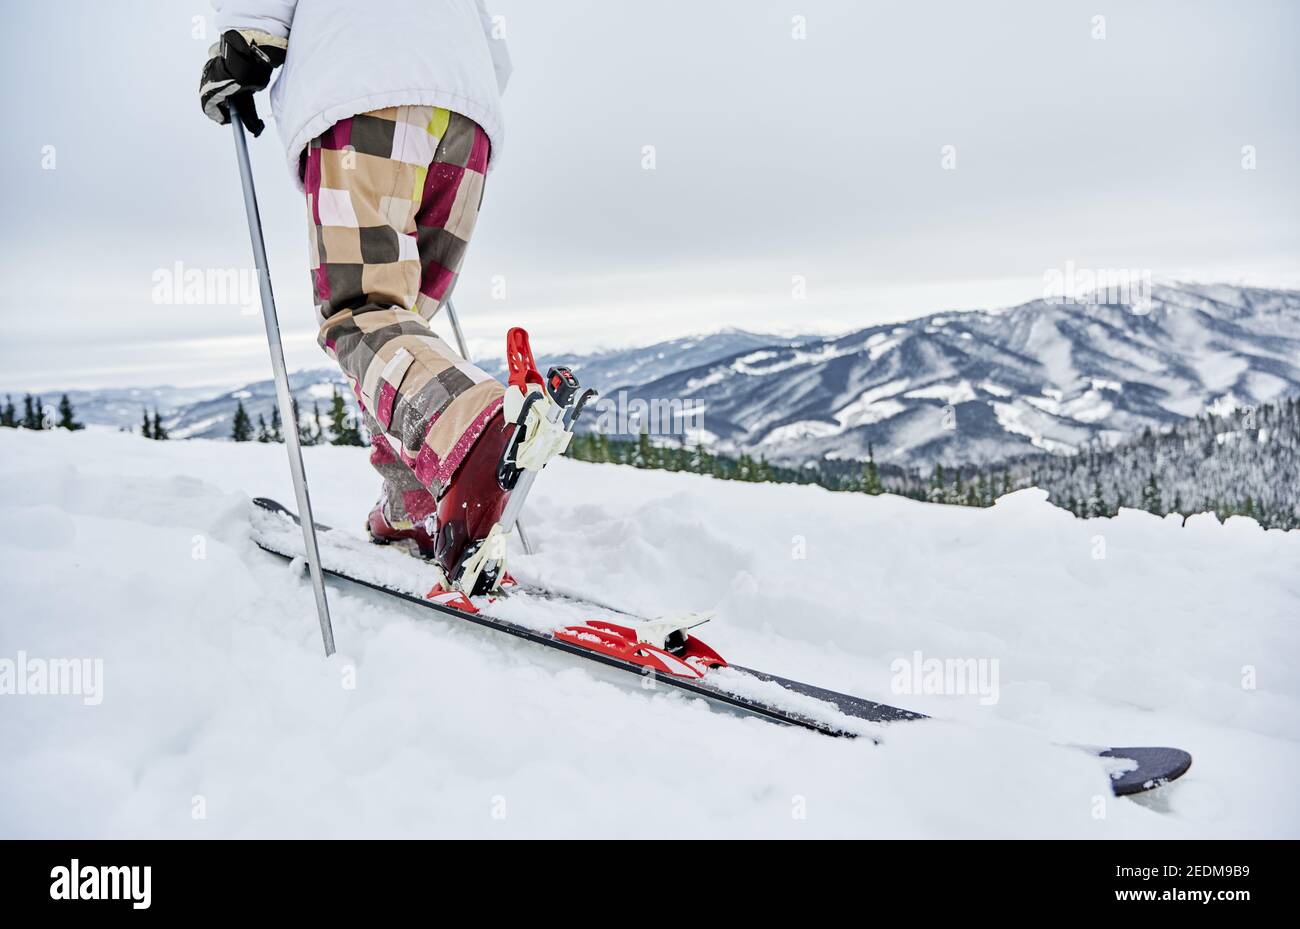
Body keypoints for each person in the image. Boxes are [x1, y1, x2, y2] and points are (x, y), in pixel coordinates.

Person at [200, 0, 553, 590]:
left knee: (361, 312)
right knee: (400, 329)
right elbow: (497, 51)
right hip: (468, 119)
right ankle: (410, 503)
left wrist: (245, 39)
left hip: (363, 86)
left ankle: (471, 421)